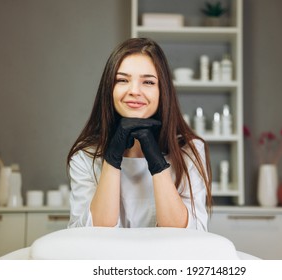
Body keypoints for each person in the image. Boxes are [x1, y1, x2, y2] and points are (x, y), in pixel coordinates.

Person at [66, 37, 212, 231]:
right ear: (109, 88)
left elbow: (190, 235)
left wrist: (157, 163)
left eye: (148, 82)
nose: (134, 91)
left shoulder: (190, 150)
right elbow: (90, 235)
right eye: (122, 80)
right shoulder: (85, 155)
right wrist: (112, 159)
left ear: (163, 91)